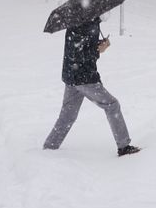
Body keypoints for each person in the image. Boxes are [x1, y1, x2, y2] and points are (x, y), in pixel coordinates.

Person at [43, 12, 140, 157]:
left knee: (68, 116)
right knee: (112, 105)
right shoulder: (87, 25)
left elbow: (80, 48)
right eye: (107, 12)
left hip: (72, 77)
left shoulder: (81, 21)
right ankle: (124, 146)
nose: (108, 14)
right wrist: (99, 49)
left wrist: (97, 45)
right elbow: (79, 54)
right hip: (84, 78)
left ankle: (49, 148)